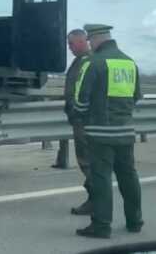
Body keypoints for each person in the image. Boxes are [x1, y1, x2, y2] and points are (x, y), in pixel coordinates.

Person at [74, 24, 144, 239]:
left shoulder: (93, 63)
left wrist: (83, 117)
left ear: (95, 39)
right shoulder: (129, 62)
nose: (89, 44)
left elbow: (80, 100)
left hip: (100, 133)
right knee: (128, 175)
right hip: (125, 130)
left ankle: (101, 225)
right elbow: (136, 96)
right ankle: (135, 221)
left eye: (89, 40)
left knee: (101, 178)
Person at [58, 29, 93, 215]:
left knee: (87, 160)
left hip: (84, 120)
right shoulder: (81, 60)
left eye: (71, 44)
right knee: (87, 160)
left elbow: (83, 92)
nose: (69, 48)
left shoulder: (88, 62)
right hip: (81, 118)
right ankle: (97, 199)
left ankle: (96, 201)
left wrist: (77, 111)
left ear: (81, 42)